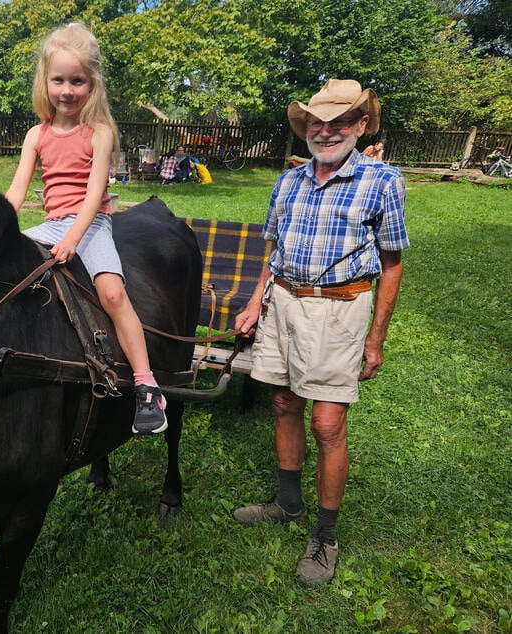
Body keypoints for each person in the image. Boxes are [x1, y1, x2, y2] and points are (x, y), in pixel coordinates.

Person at [231, 79, 409, 585]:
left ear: (359, 126)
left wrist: (376, 338)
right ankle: (287, 503)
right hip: (282, 302)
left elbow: (392, 263)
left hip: (341, 309)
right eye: (317, 122)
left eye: (338, 122)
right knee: (284, 404)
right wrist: (254, 301)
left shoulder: (381, 181)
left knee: (328, 425)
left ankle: (325, 537)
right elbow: (274, 250)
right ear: (305, 128)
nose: (326, 131)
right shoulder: (289, 181)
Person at [5, 23, 168, 435]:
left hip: (91, 225)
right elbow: (18, 191)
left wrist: (74, 240)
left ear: (91, 83)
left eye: (77, 80)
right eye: (58, 80)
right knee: (2, 267)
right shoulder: (35, 135)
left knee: (112, 292)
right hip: (51, 225)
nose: (67, 90)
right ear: (45, 81)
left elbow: (94, 195)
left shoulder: (99, 133)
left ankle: (147, 385)